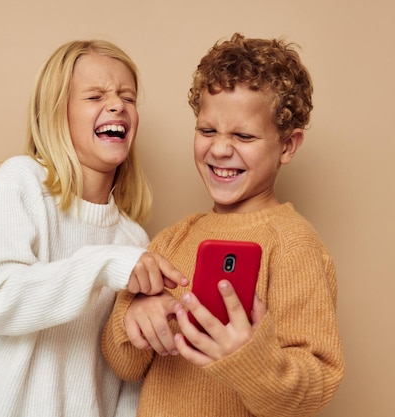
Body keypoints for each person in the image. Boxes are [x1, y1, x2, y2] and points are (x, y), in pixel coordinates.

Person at [0, 39, 188, 417]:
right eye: (95, 96)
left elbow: (127, 378)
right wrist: (106, 265)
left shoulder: (133, 242)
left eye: (127, 96)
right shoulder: (21, 182)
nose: (117, 104)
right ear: (58, 113)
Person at [101, 33, 345, 417]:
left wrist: (252, 359)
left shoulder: (294, 245)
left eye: (244, 135)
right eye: (207, 130)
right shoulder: (173, 239)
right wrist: (132, 318)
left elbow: (314, 387)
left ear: (287, 145)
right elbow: (124, 366)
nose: (219, 149)